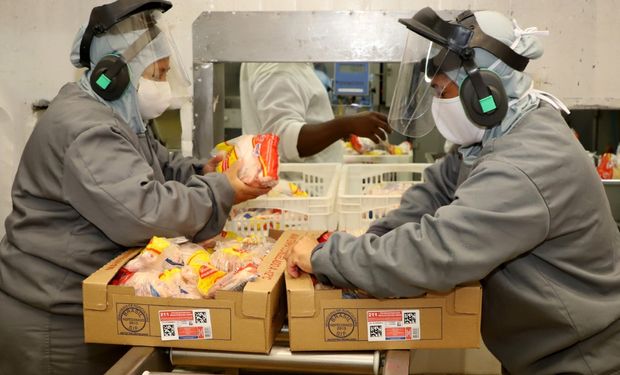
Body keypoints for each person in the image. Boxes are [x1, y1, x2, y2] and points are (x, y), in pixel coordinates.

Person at [286, 8, 620, 374]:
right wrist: (376, 236)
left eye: (442, 90)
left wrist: (324, 256)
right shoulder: (505, 131)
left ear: (484, 93)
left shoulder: (523, 167)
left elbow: (433, 252)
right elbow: (437, 188)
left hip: (581, 361)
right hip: (543, 351)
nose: (437, 102)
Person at [0, 1, 270, 374]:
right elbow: (144, 211)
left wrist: (205, 169)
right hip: (53, 318)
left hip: (86, 305)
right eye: (157, 74)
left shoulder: (119, 118)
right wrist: (222, 190)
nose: (162, 86)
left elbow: (159, 167)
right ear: (113, 74)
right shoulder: (85, 129)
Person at [240, 62, 391, 163]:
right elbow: (286, 140)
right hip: (303, 193)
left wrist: (340, 123)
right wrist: (346, 125)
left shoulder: (285, 59)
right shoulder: (277, 65)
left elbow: (298, 116)